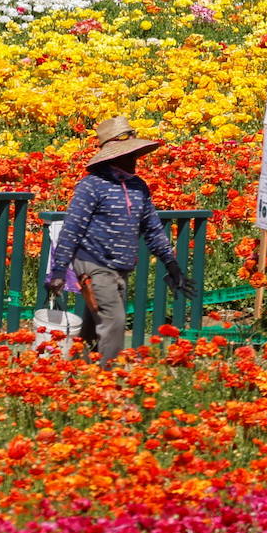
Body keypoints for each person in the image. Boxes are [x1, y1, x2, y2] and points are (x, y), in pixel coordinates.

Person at [45, 117, 195, 365]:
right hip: (93, 262)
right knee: (113, 321)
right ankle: (107, 382)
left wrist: (172, 266)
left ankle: (77, 374)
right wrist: (59, 270)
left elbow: (153, 229)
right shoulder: (92, 186)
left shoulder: (138, 187)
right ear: (113, 156)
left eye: (136, 154)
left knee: (95, 326)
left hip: (120, 267)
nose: (135, 160)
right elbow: (72, 228)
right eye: (129, 154)